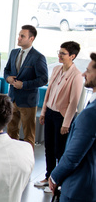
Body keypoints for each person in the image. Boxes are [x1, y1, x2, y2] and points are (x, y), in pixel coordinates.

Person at [32, 53, 96, 202]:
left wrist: (55, 176)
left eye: (89, 69)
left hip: (80, 189)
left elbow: (73, 155)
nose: (84, 73)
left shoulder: (90, 114)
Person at [34, 41, 83, 191]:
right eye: (59, 52)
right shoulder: (56, 69)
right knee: (48, 147)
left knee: (60, 150)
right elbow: (48, 92)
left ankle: (58, 182)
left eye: (63, 53)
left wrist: (66, 123)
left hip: (62, 117)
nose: (59, 55)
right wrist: (43, 112)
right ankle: (49, 176)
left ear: (72, 56)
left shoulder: (77, 76)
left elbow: (73, 102)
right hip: (50, 112)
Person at [4, 25, 48, 149]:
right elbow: (6, 70)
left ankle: (27, 161)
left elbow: (43, 79)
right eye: (19, 35)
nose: (18, 38)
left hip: (28, 101)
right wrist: (8, 78)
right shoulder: (14, 52)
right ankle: (12, 158)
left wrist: (24, 85)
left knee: (29, 135)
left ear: (31, 38)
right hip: (12, 99)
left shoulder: (38, 57)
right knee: (11, 132)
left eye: (22, 36)